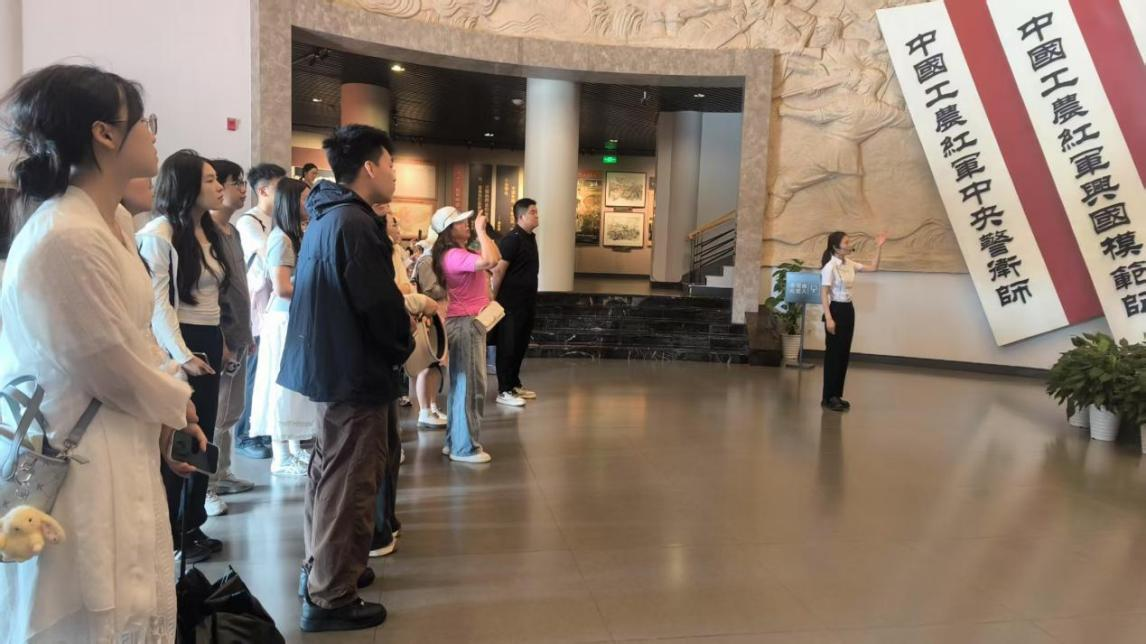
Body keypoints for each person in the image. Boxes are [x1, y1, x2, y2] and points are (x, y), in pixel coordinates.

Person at [0, 63, 204, 644]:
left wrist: (169, 408)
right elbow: (109, 363)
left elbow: (130, 341)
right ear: (104, 134)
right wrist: (177, 402)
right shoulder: (65, 234)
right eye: (143, 121)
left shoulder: (107, 220)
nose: (153, 135)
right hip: (83, 450)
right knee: (94, 605)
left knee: (129, 594)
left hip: (117, 435)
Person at [279, 124, 433, 632]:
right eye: (390, 164)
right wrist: (403, 337)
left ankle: (327, 567)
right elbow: (378, 307)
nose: (394, 174)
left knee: (330, 473)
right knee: (350, 482)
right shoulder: (355, 224)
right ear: (369, 167)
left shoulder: (329, 217)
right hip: (354, 373)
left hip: (334, 368)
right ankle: (330, 595)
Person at [137, 149, 229, 564]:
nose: (219, 187)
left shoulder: (207, 230)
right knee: (180, 435)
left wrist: (221, 339)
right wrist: (182, 354)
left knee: (202, 432)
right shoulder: (159, 234)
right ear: (187, 186)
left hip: (207, 337)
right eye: (210, 180)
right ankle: (174, 532)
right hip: (180, 342)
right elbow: (159, 304)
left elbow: (213, 297)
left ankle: (192, 523)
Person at [249, 178, 319, 476]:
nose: (309, 203)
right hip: (283, 321)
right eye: (304, 198)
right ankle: (280, 457)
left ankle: (293, 448)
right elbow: (281, 287)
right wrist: (317, 289)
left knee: (294, 387)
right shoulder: (282, 239)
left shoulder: (293, 236)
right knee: (281, 387)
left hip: (293, 318)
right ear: (291, 202)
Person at [204, 159, 256, 516]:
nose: (242, 190)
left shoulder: (232, 232)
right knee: (215, 412)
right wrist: (222, 339)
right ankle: (205, 485)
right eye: (236, 182)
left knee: (231, 411)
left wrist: (246, 333)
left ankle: (221, 472)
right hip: (220, 337)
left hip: (239, 334)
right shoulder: (204, 232)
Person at [431, 206, 501, 464]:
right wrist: (482, 230)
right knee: (470, 386)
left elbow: (495, 257)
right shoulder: (453, 255)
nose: (467, 225)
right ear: (448, 231)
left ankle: (455, 442)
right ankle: (464, 448)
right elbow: (490, 261)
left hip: (467, 323)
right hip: (465, 324)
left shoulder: (460, 252)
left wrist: (484, 235)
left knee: (464, 385)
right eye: (460, 223)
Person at [232, 162, 286, 460]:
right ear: (263, 190)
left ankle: (263, 429)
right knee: (253, 375)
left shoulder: (276, 221)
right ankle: (244, 435)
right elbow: (271, 257)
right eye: (280, 187)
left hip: (272, 308)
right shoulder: (249, 222)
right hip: (256, 311)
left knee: (268, 374)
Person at [820, 230, 885, 412]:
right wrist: (829, 318)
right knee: (834, 354)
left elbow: (873, 267)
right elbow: (824, 294)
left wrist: (879, 247)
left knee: (844, 354)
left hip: (848, 310)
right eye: (846, 243)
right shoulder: (829, 267)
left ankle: (837, 395)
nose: (849, 245)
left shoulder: (849, 264)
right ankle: (829, 397)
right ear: (836, 247)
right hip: (835, 310)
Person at [491, 198, 540, 407]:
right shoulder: (512, 239)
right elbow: (498, 270)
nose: (537, 216)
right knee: (508, 346)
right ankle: (503, 390)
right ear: (521, 216)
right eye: (533, 212)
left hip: (526, 303)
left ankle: (514, 384)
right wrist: (492, 298)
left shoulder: (529, 238)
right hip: (509, 304)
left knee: (520, 345)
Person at [412, 238, 448, 429]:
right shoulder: (427, 261)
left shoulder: (435, 260)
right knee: (426, 365)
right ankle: (424, 410)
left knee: (435, 365)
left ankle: (433, 406)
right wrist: (451, 282)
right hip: (428, 317)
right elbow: (429, 290)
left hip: (438, 316)